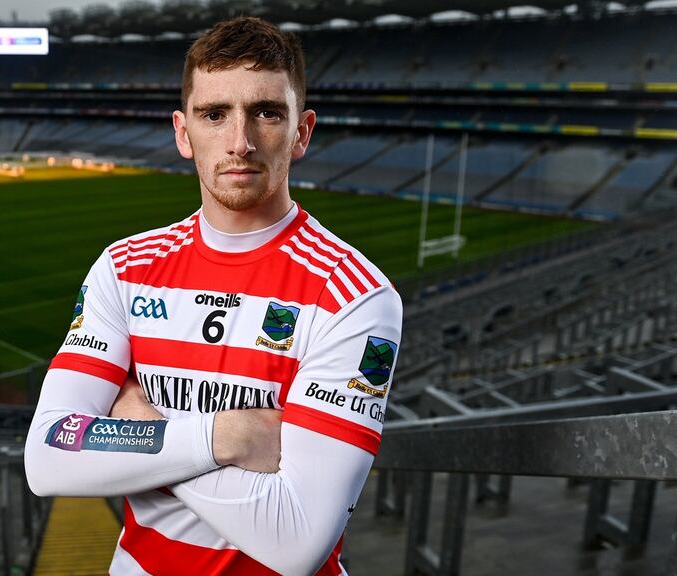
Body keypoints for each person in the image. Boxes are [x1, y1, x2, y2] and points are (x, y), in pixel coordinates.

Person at [25, 16, 403, 575]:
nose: (239, 142)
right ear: (183, 133)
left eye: (267, 113)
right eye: (214, 114)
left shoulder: (354, 296)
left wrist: (141, 425)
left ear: (302, 132)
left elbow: (297, 541)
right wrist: (225, 436)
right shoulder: (124, 269)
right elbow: (48, 459)